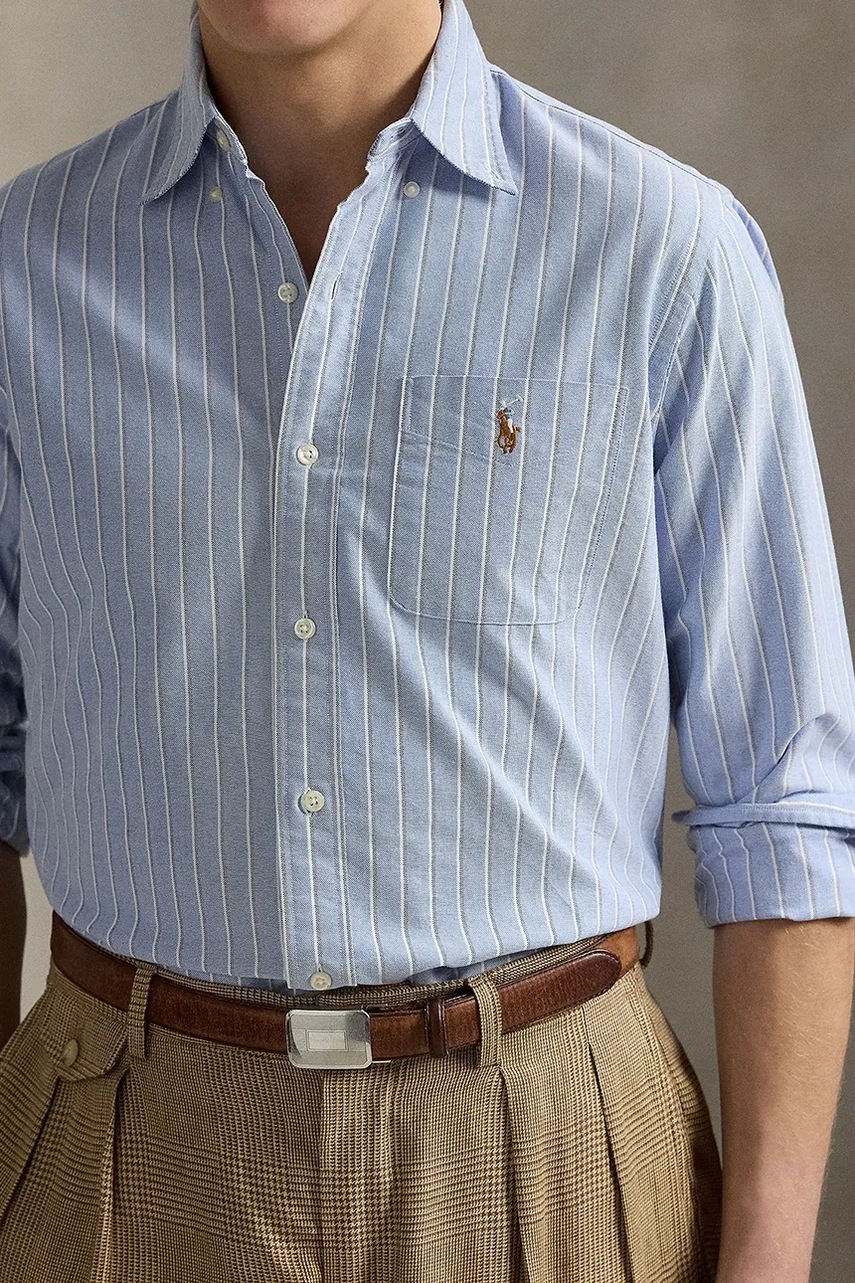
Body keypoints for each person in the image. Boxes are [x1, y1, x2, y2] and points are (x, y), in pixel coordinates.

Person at [0, 0, 853, 1278]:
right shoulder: (23, 268)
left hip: (552, 1160)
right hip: (120, 1152)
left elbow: (787, 804)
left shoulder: (664, 251)